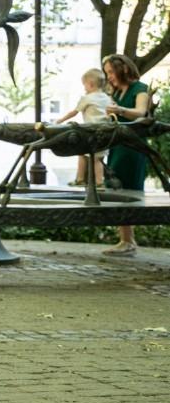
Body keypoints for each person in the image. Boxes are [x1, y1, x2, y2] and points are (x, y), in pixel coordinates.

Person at [101, 53, 152, 256]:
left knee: (127, 189)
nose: (109, 77)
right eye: (107, 73)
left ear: (123, 69)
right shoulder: (117, 92)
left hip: (132, 147)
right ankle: (125, 239)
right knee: (117, 188)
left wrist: (120, 110)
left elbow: (141, 113)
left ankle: (128, 241)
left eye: (111, 72)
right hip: (118, 145)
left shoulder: (140, 88)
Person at [55, 67, 112, 186]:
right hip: (104, 132)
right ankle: (99, 182)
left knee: (81, 153)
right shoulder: (107, 98)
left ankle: (80, 179)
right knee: (98, 159)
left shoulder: (87, 98)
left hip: (90, 132)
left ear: (90, 84)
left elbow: (74, 112)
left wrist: (60, 120)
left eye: (84, 85)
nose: (84, 88)